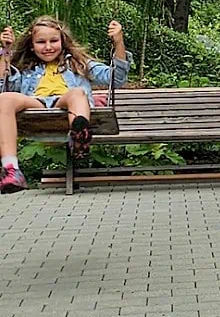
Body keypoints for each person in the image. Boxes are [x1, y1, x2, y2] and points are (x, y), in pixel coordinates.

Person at [0, 16, 132, 193]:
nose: (48, 47)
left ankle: (79, 134)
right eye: (41, 42)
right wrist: (5, 51)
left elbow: (117, 79)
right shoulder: (26, 68)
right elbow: (3, 86)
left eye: (53, 40)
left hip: (67, 103)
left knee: (77, 93)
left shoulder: (79, 63)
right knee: (4, 99)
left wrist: (119, 43)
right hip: (36, 103)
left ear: (62, 41)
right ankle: (12, 169)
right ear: (31, 45)